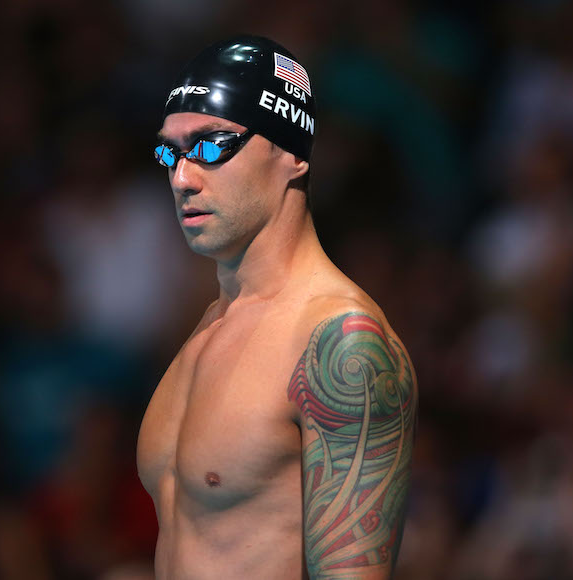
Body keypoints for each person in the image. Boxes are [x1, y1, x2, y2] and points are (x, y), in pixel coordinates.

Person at [137, 35, 418, 579]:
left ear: (293, 155)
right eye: (170, 152)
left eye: (212, 146)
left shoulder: (340, 341)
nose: (181, 178)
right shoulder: (211, 322)